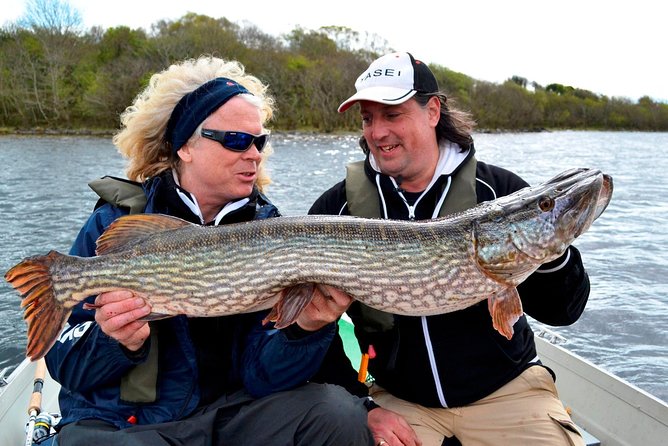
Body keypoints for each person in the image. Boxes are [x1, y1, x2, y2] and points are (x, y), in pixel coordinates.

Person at [45, 55, 374, 446]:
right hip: (129, 423)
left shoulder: (269, 230)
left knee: (338, 416)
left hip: (228, 415)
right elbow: (64, 363)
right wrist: (113, 339)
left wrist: (304, 330)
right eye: (236, 140)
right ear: (185, 146)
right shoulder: (117, 222)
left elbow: (263, 375)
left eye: (259, 141)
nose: (253, 153)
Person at [309, 52, 589, 446]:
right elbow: (312, 332)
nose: (377, 132)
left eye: (392, 114)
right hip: (401, 401)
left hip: (508, 391)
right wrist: (363, 405)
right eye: (368, 119)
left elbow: (564, 312)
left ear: (433, 111)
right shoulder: (336, 211)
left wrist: (551, 249)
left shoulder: (500, 192)